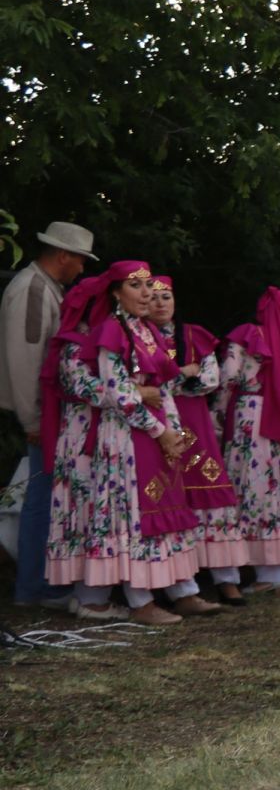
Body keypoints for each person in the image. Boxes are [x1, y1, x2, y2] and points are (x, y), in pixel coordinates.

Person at [45, 262, 208, 625]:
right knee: (126, 516)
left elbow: (163, 386)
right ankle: (132, 599)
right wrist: (151, 415)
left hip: (143, 430)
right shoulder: (98, 337)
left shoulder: (143, 333)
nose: (147, 293)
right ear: (114, 294)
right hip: (113, 435)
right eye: (136, 286)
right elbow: (107, 391)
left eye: (147, 285)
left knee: (153, 508)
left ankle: (179, 590)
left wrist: (174, 432)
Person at [0, 220, 93, 609]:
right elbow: (26, 360)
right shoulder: (35, 290)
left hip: (45, 411)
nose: (82, 269)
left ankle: (36, 586)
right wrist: (33, 420)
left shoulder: (44, 287)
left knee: (44, 496)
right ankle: (35, 587)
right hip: (41, 413)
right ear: (63, 255)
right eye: (80, 260)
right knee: (41, 498)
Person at [147, 276, 247, 604]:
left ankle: (226, 578)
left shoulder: (192, 335)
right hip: (157, 425)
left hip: (193, 423)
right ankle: (172, 581)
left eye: (167, 296)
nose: (161, 303)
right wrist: (181, 373)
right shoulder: (138, 338)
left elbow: (209, 379)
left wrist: (173, 378)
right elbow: (142, 384)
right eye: (155, 296)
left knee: (212, 492)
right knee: (164, 493)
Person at [218, 288, 280, 595]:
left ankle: (267, 571)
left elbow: (229, 376)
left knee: (254, 488)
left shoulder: (247, 337)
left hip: (252, 418)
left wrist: (219, 411)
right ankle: (279, 566)